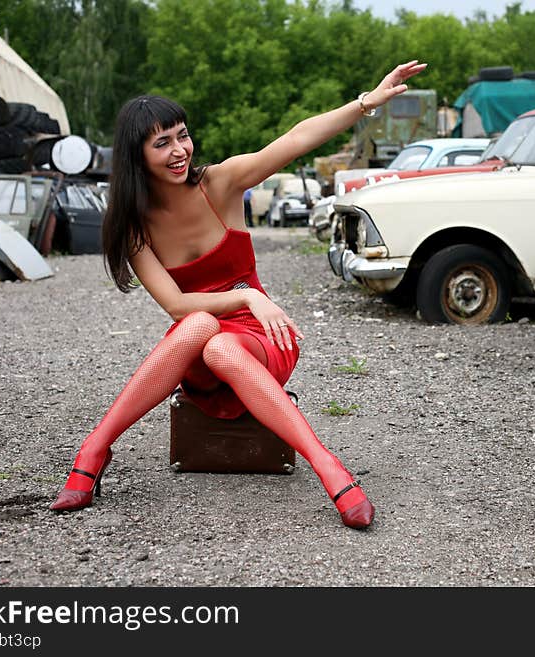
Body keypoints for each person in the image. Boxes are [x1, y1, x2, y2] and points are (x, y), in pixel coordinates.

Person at [49, 60, 427, 529]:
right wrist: (247, 296)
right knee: (201, 327)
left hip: (259, 337)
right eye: (161, 142)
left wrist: (366, 102)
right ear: (135, 154)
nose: (178, 150)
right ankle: (97, 445)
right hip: (200, 339)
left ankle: (328, 465)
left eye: (182, 135)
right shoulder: (133, 225)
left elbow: (295, 139)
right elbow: (176, 305)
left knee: (222, 342)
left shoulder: (219, 184)